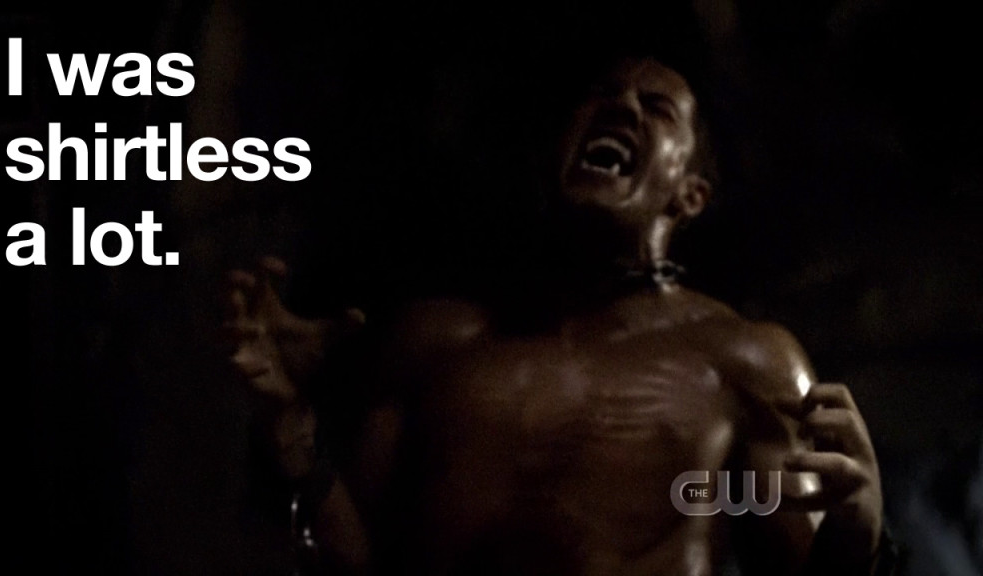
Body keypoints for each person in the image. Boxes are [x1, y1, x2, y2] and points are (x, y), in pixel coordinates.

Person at [225, 54, 889, 575]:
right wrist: (290, 423)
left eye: (656, 107)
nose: (621, 105)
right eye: (602, 95)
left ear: (689, 195)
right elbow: (350, 565)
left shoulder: (746, 362)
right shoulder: (432, 343)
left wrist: (859, 536)